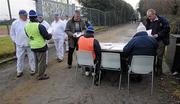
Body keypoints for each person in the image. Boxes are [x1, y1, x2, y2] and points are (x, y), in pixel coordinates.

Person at [25, 10, 52, 80]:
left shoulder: (26, 26)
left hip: (33, 46)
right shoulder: (39, 26)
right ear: (36, 17)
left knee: (36, 61)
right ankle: (41, 75)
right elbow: (47, 36)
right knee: (42, 62)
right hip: (41, 46)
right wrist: (50, 35)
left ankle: (38, 72)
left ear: (29, 17)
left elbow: (28, 35)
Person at [10, 10, 35, 77]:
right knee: (20, 58)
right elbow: (12, 33)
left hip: (29, 43)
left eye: (26, 15)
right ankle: (19, 71)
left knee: (31, 57)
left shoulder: (30, 22)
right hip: (20, 44)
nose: (26, 16)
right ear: (20, 15)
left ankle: (33, 69)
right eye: (24, 15)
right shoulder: (15, 23)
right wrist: (15, 40)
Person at [146, 9, 170, 76]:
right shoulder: (148, 20)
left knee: (159, 56)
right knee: (152, 55)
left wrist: (158, 34)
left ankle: (159, 72)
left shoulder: (162, 19)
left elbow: (167, 28)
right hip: (152, 41)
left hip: (161, 41)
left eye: (150, 16)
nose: (149, 18)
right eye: (148, 16)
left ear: (154, 14)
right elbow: (147, 28)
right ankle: (152, 70)